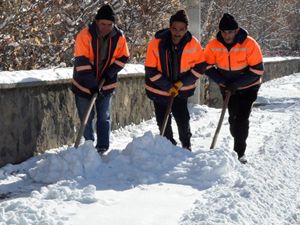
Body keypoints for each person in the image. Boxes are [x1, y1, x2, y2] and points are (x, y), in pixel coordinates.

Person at [204, 13, 264, 163]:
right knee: (232, 119)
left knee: (242, 118)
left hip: (249, 87)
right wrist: (222, 82)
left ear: (236, 31)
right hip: (227, 87)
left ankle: (240, 153)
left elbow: (257, 71)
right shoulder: (213, 45)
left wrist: (237, 84)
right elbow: (207, 66)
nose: (227, 35)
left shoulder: (249, 44)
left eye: (230, 32)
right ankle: (236, 134)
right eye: (224, 32)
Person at [144, 10, 207, 151]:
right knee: (163, 121)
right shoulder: (157, 42)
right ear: (169, 27)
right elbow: (150, 69)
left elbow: (201, 66)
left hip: (180, 90)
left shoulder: (193, 43)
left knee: (183, 118)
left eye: (181, 29)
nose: (177, 33)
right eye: (174, 29)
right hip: (159, 89)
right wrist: (167, 86)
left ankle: (186, 145)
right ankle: (168, 147)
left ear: (186, 29)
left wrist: (181, 82)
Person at [71, 4, 129, 154]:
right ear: (96, 22)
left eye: (110, 24)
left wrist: (110, 72)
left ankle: (102, 146)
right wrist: (92, 84)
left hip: (106, 84)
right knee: (86, 117)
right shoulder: (85, 35)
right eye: (103, 24)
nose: (106, 27)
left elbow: (124, 56)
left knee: (104, 116)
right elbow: (82, 62)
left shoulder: (119, 37)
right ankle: (88, 147)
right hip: (83, 84)